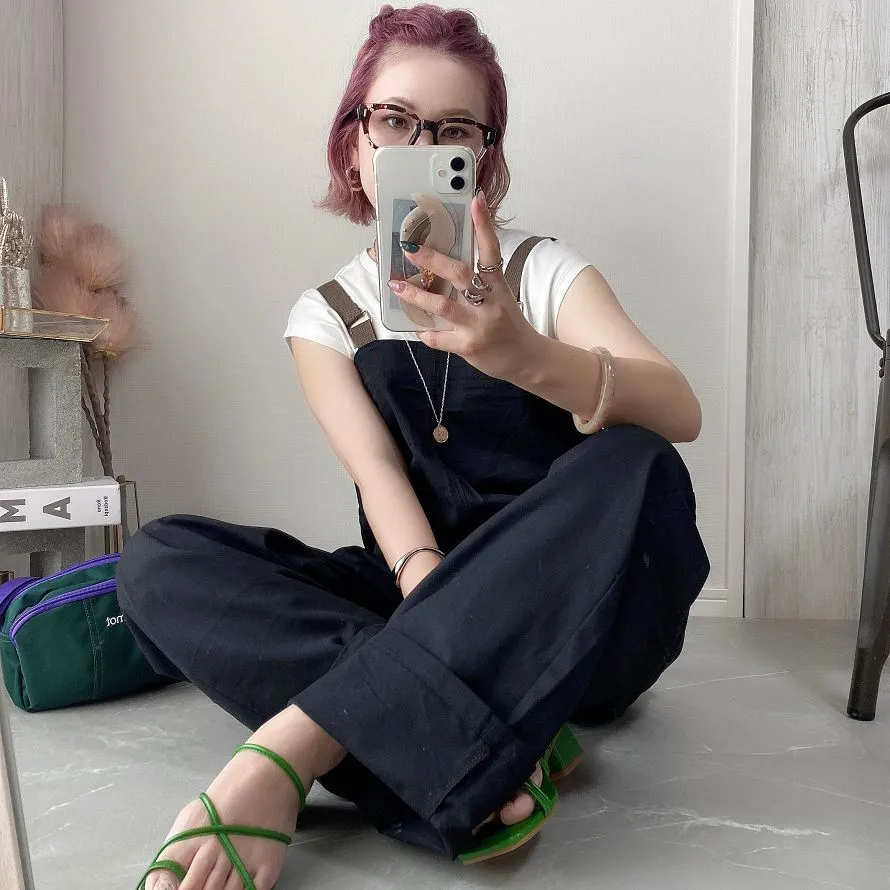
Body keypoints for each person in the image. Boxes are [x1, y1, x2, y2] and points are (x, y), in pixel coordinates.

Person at [118, 5, 710, 889]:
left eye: (454, 130)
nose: (419, 147)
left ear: (484, 157)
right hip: (416, 584)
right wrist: (434, 601)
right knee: (158, 561)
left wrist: (526, 354)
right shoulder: (327, 315)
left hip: (576, 624)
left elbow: (681, 410)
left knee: (639, 460)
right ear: (353, 141)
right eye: (394, 120)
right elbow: (378, 475)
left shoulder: (542, 272)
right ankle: (483, 747)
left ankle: (300, 744)